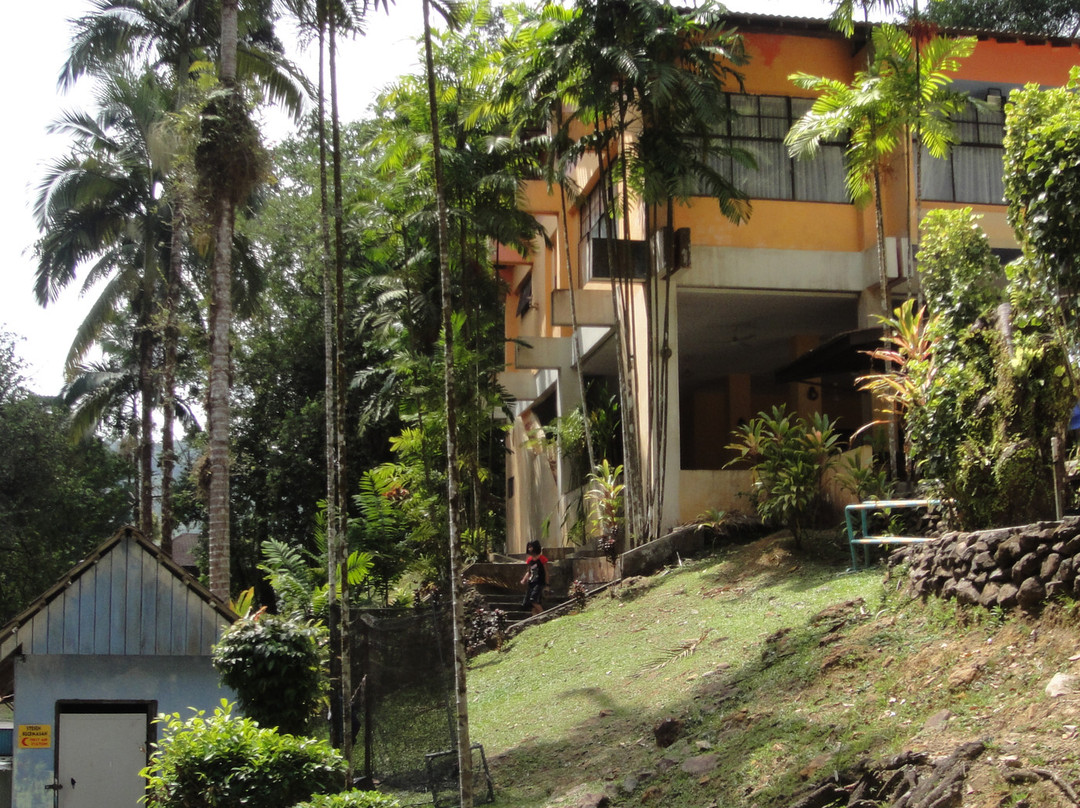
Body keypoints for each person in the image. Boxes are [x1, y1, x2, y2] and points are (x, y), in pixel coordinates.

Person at [520, 540, 548, 616]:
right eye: (528, 547)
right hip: (531, 582)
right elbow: (529, 572)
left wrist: (547, 584)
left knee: (534, 600)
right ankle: (535, 619)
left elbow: (546, 572)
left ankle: (543, 615)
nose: (529, 549)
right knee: (528, 603)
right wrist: (524, 579)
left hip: (539, 582)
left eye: (531, 547)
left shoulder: (542, 559)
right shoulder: (529, 560)